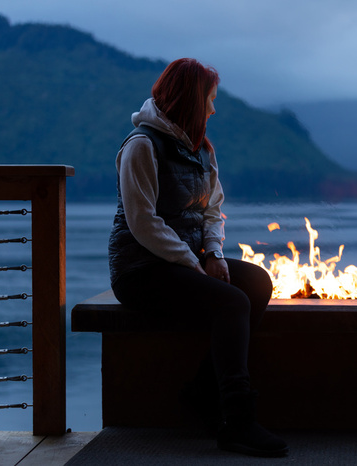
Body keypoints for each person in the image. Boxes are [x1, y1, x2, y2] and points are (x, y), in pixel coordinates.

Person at [108, 58, 288, 458]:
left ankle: (203, 393)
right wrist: (195, 264)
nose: (213, 109)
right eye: (209, 99)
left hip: (187, 260)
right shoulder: (141, 146)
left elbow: (212, 210)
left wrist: (214, 253)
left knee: (257, 283)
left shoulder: (201, 150)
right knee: (231, 301)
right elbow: (143, 222)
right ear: (190, 100)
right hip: (142, 269)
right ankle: (237, 420)